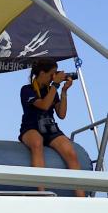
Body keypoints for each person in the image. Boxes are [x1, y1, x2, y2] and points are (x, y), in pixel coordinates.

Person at [19, 59, 85, 197]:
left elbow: (61, 114)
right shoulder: (27, 90)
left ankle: (81, 196)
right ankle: (41, 192)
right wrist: (55, 84)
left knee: (71, 152)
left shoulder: (52, 90)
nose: (54, 77)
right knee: (37, 143)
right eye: (52, 74)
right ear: (42, 73)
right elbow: (43, 105)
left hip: (50, 128)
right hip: (31, 127)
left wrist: (64, 92)